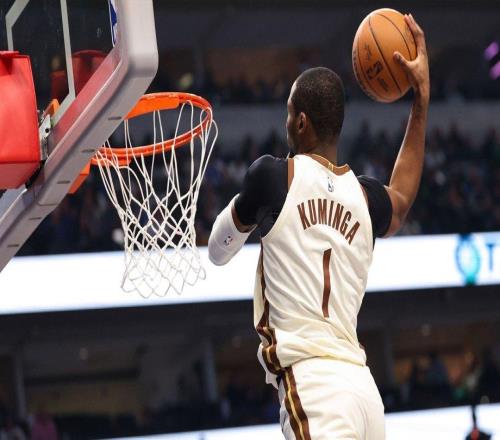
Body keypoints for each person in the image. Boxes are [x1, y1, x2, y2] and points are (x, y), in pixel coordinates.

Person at [208, 14, 429, 440]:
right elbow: (401, 200)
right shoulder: (364, 197)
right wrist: (421, 98)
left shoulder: (274, 177)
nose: (286, 122)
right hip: (364, 391)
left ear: (301, 122)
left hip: (314, 386)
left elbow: (218, 251)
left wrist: (245, 204)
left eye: (289, 113)